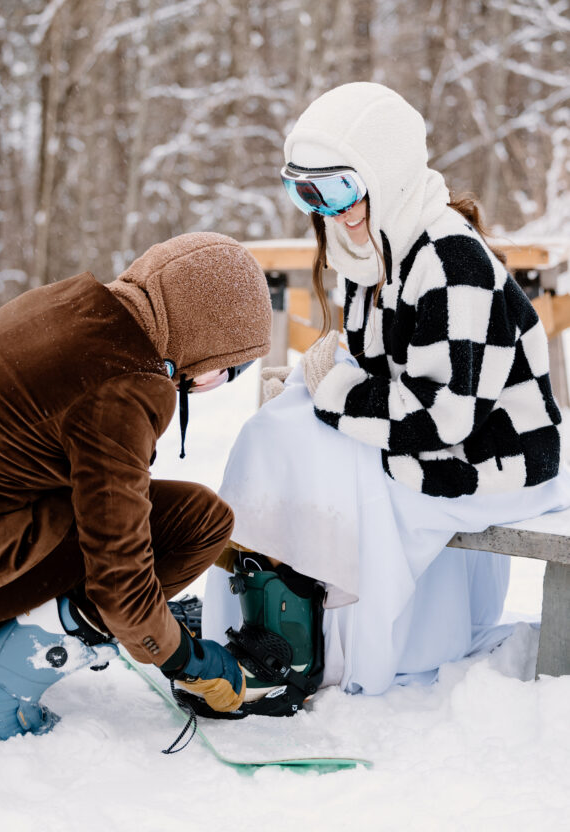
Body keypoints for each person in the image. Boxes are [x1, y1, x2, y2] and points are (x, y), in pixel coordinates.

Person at [200, 82, 570, 715]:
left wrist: (332, 388)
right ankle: (264, 620)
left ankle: (329, 647)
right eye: (308, 193)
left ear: (387, 172)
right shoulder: (375, 250)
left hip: (495, 455)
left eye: (341, 188)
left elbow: (443, 417)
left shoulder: (453, 261)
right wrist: (311, 386)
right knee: (277, 435)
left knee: (347, 476)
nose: (331, 212)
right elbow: (370, 369)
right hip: (437, 437)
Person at [0, 232, 272, 739]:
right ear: (203, 339)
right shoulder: (122, 385)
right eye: (223, 371)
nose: (203, 385)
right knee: (197, 524)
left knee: (150, 513)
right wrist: (184, 656)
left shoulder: (75, 304)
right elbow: (120, 579)